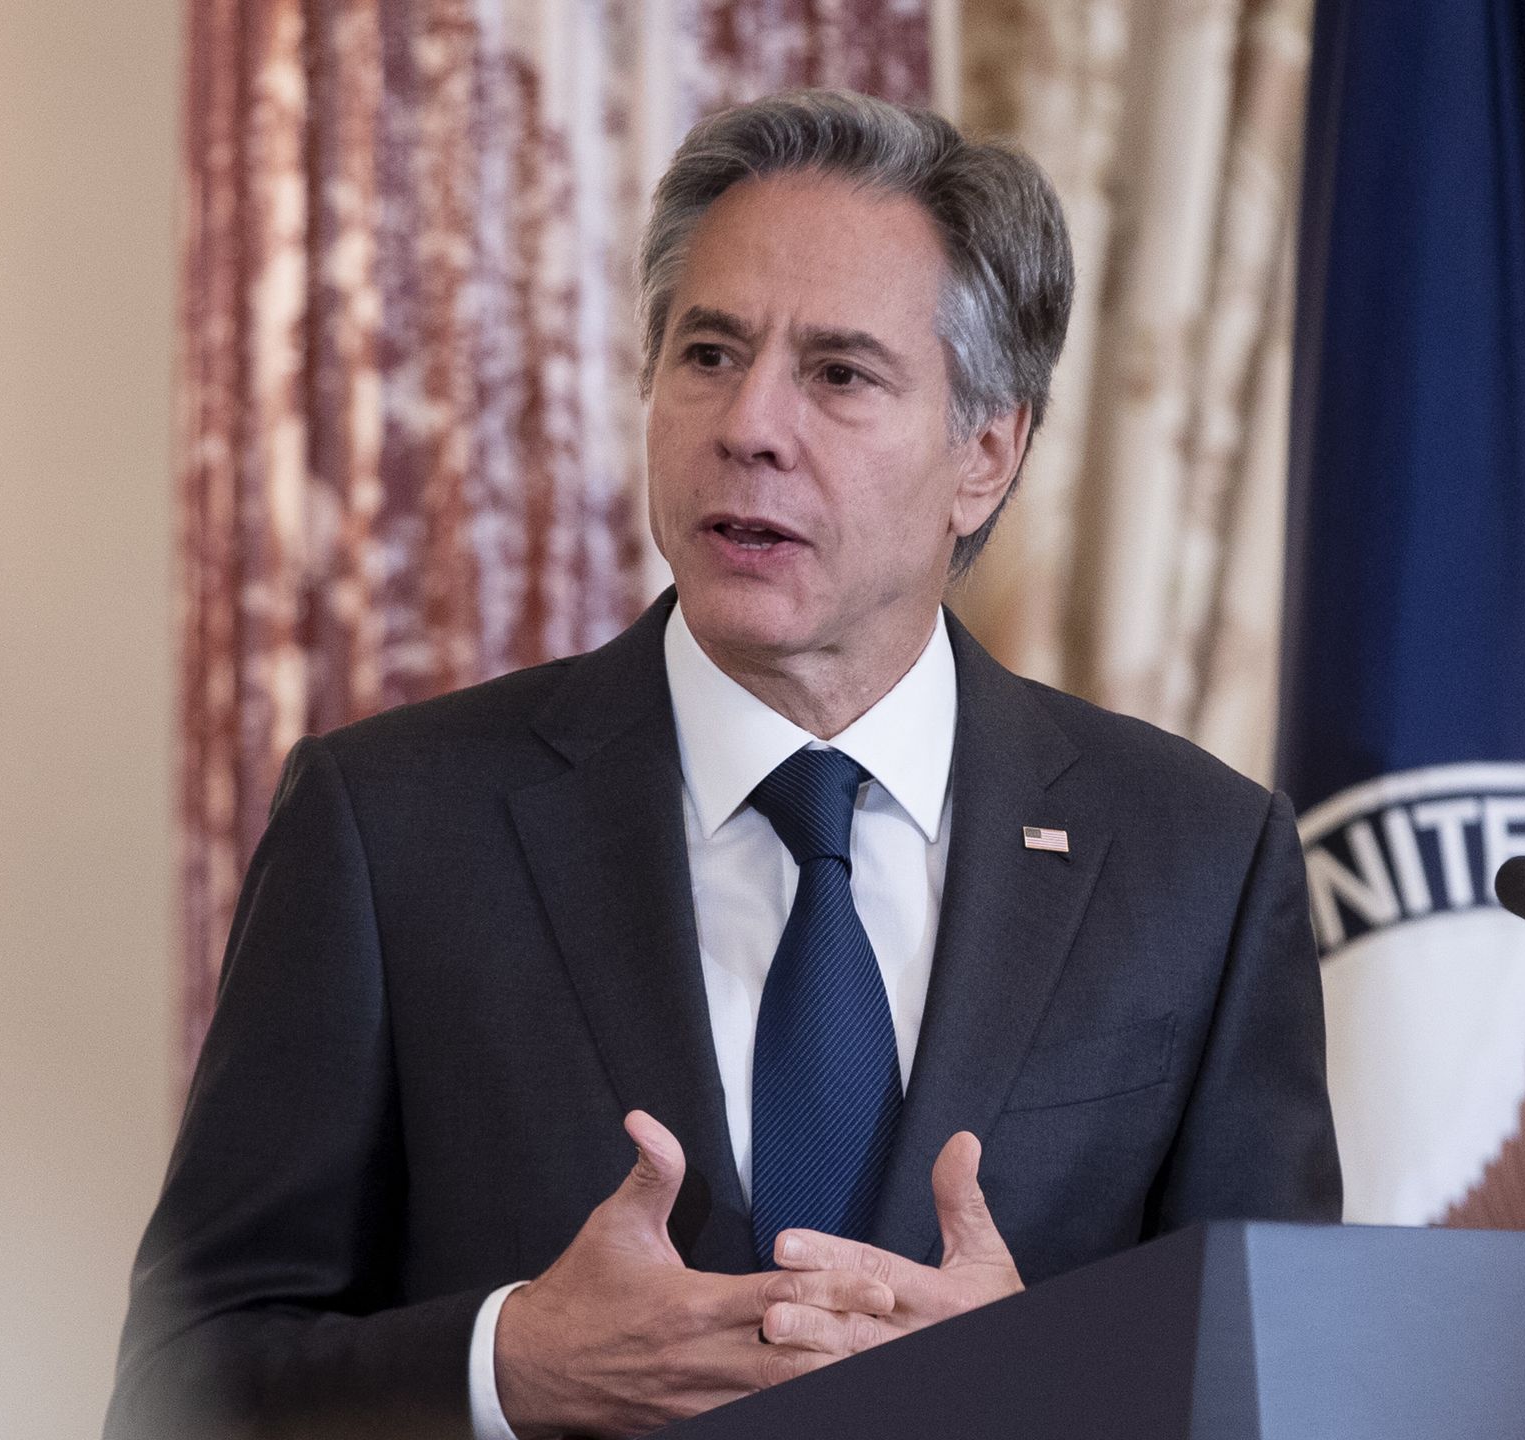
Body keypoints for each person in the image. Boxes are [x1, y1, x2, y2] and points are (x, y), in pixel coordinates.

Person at [106, 88, 1339, 1440]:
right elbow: (180, 1387)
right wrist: (507, 1367)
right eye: (708, 352)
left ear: (986, 454)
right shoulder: (391, 828)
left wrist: (1047, 1385)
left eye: (839, 374)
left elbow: (1294, 1393)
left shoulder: (1198, 864)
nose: (750, 423)